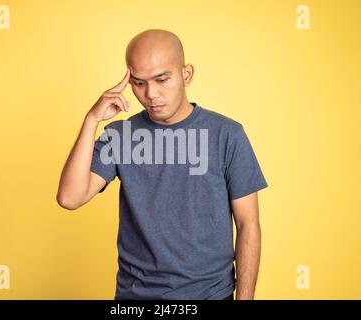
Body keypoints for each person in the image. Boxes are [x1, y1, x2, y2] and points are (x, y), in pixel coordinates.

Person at [56, 29, 268, 300]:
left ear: (186, 74)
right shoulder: (120, 136)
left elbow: (248, 223)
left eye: (161, 79)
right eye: (139, 83)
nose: (151, 94)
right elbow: (70, 198)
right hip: (136, 298)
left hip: (210, 295)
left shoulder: (227, 134)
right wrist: (91, 121)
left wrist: (245, 298)